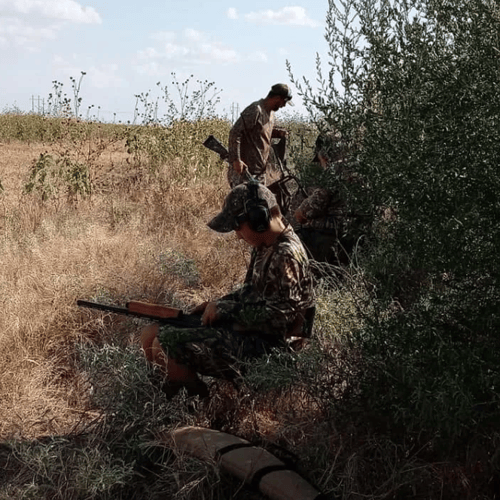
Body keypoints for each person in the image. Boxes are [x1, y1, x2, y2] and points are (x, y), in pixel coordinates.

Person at [140, 181, 315, 397]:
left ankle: (196, 407)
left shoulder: (285, 254)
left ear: (258, 219)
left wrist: (226, 311)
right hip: (252, 333)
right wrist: (217, 304)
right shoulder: (265, 246)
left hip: (271, 348)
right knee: (149, 334)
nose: (238, 236)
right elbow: (250, 292)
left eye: (238, 227)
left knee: (165, 344)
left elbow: (282, 319)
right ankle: (163, 399)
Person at [293, 131, 357, 266]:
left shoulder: (334, 171)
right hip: (355, 232)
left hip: (334, 234)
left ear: (324, 155)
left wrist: (301, 212)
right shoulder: (357, 167)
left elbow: (305, 211)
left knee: (298, 232)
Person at [227, 83, 293, 188]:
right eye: (283, 102)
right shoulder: (256, 110)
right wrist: (236, 160)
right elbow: (235, 133)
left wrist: (278, 133)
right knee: (243, 203)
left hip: (259, 173)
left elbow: (260, 131)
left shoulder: (270, 114)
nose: (283, 105)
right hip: (244, 172)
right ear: (276, 97)